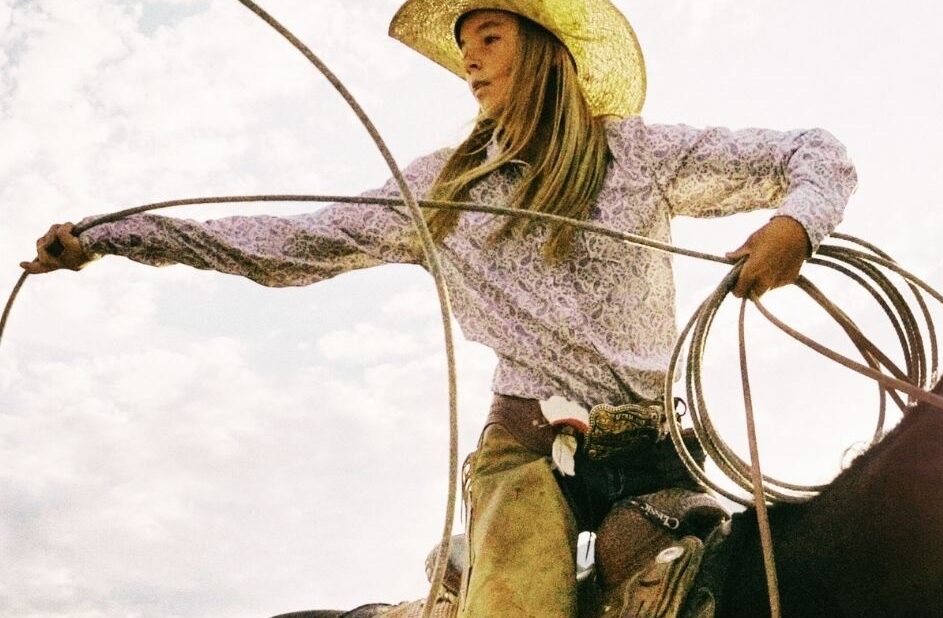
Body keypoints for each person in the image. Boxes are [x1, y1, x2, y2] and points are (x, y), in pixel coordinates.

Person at [22, 1, 857, 616]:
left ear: (544, 49)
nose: (470, 59)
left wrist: (796, 225)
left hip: (658, 448)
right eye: (464, 46)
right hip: (526, 455)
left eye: (489, 37)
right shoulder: (441, 191)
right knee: (523, 605)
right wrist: (116, 236)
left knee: (720, 583)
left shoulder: (638, 156)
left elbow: (812, 153)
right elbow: (292, 244)